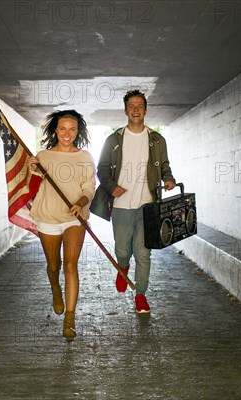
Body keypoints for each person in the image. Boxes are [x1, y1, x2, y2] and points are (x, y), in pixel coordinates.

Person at [95, 90, 175, 313]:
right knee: (122, 250)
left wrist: (168, 179)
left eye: (140, 105)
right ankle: (123, 267)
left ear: (146, 110)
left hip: (147, 206)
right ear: (125, 110)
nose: (136, 109)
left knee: (143, 252)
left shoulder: (157, 140)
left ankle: (140, 295)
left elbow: (165, 165)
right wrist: (112, 187)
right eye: (132, 106)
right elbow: (101, 169)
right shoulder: (113, 140)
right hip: (121, 206)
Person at [28, 110, 95, 338]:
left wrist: (80, 202)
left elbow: (89, 188)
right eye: (63, 128)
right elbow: (34, 183)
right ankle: (55, 290)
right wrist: (33, 168)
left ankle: (70, 319)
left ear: (78, 131)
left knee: (70, 266)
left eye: (72, 129)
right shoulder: (43, 156)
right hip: (47, 216)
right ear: (55, 130)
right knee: (54, 265)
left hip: (75, 218)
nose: (67, 133)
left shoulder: (85, 157)